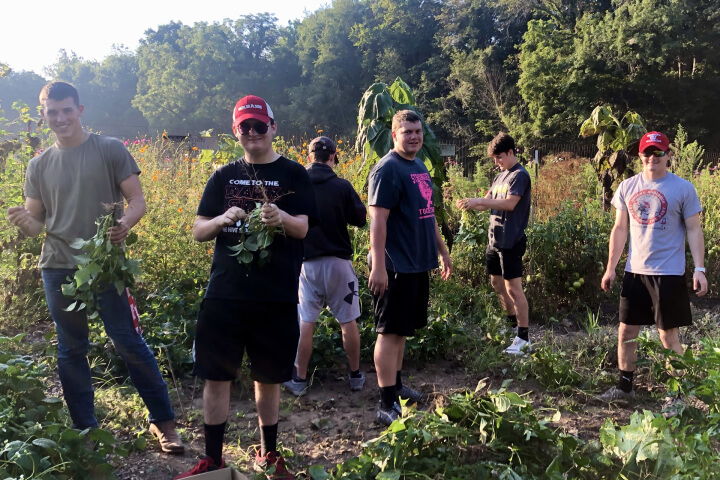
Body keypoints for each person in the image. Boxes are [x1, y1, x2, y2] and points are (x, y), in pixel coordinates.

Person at [6, 81, 183, 454]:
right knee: (71, 349)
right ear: (43, 113)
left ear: (80, 110)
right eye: (51, 111)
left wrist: (125, 225)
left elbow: (136, 200)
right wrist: (25, 222)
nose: (59, 118)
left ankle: (163, 421)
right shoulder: (39, 164)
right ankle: (86, 431)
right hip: (57, 267)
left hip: (105, 266)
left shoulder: (109, 149)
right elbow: (39, 223)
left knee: (127, 341)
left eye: (66, 110)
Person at [175, 95, 316, 479]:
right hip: (225, 293)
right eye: (244, 127)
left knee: (268, 377)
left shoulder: (294, 174)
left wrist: (280, 217)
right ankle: (213, 461)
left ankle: (268, 454)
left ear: (272, 127)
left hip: (275, 294)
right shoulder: (223, 175)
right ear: (235, 132)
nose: (252, 133)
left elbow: (303, 227)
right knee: (216, 376)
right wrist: (221, 219)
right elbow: (198, 230)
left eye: (259, 126)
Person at [599, 131, 707, 409]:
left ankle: (680, 396)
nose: (652, 158)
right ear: (640, 156)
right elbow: (620, 229)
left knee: (667, 335)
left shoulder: (683, 189)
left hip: (668, 273)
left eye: (658, 153)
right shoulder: (627, 187)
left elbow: (694, 229)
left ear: (668, 156)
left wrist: (699, 268)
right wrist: (611, 268)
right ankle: (624, 388)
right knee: (626, 331)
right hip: (635, 272)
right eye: (647, 152)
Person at [368, 109, 452, 426]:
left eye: (417, 131)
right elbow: (378, 221)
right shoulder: (386, 170)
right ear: (395, 135)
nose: (414, 136)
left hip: (417, 263)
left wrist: (442, 251)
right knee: (388, 333)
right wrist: (378, 265)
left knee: (401, 331)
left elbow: (427, 215)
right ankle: (385, 402)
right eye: (407, 132)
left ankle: (398, 387)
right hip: (394, 265)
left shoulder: (418, 165)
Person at [283, 136, 367, 396]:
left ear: (309, 156)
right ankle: (355, 376)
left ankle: (299, 379)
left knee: (306, 322)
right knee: (348, 320)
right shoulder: (341, 186)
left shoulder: (297, 186)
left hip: (306, 265)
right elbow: (360, 219)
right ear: (332, 156)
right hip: (338, 263)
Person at [456, 132, 532, 355]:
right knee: (497, 284)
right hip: (494, 239)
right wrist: (470, 203)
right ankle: (511, 325)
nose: (496, 162)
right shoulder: (500, 177)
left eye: (499, 157)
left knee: (513, 288)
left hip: (511, 240)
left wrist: (479, 200)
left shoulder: (519, 175)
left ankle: (524, 337)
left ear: (510, 152)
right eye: (494, 159)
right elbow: (488, 202)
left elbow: (509, 204)